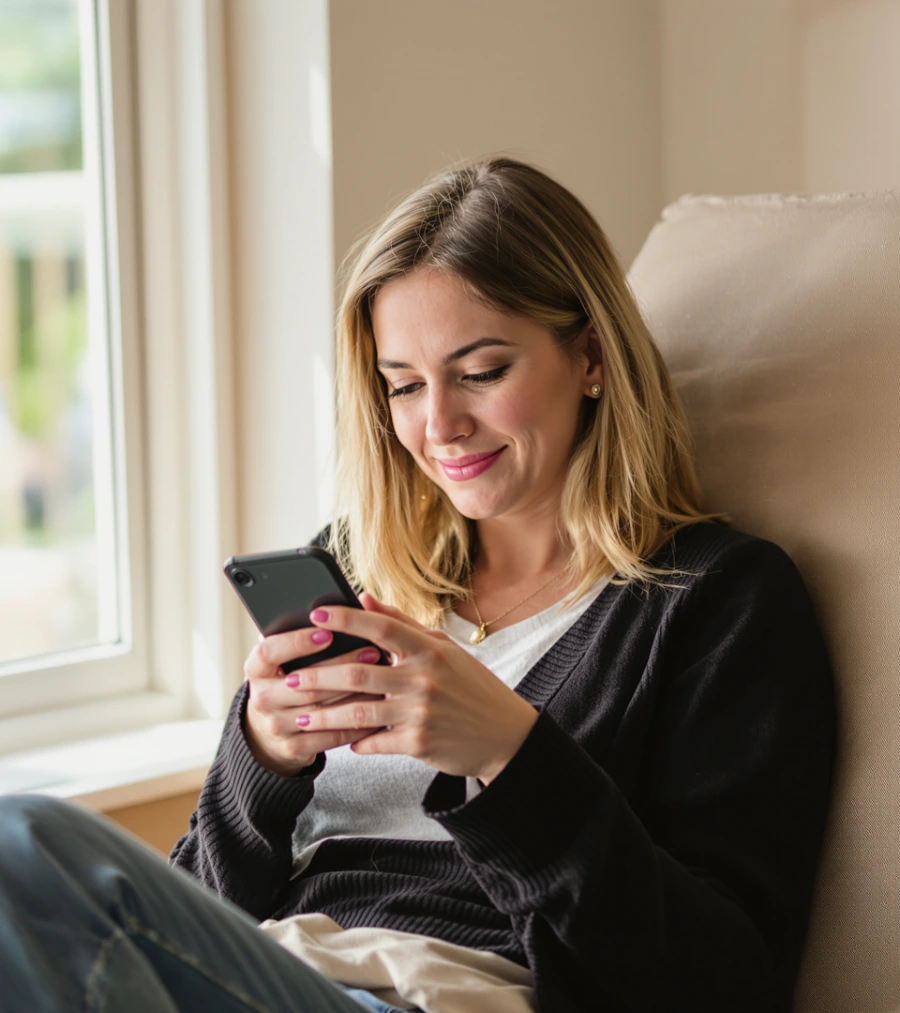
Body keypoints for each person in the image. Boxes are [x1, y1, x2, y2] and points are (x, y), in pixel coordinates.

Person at [0, 155, 836, 1013]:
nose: (439, 425)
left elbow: (726, 980)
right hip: (270, 971)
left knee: (21, 841)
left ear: (589, 355)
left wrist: (511, 754)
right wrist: (261, 758)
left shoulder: (718, 602)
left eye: (480, 372)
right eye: (403, 385)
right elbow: (203, 907)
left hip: (443, 995)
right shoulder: (359, 569)